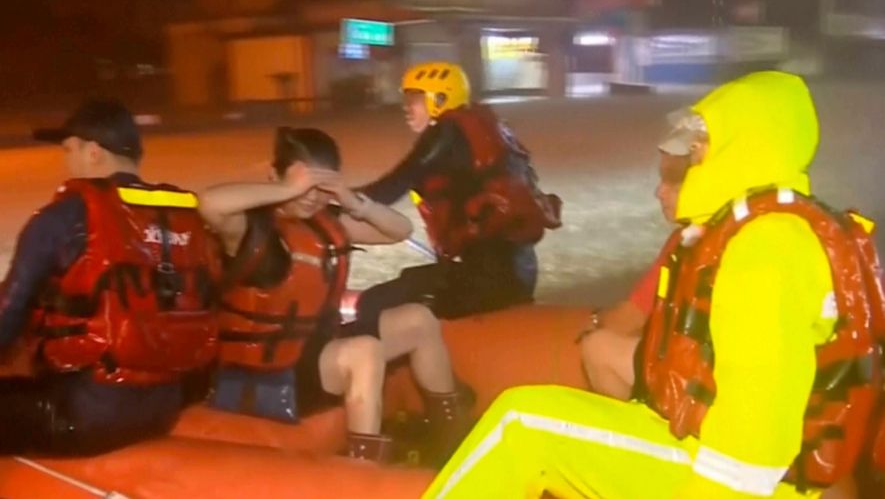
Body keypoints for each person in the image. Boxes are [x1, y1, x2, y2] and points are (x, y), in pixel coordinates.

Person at [423, 71, 885, 499]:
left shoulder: (766, 250)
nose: (692, 154)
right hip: (718, 449)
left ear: (747, 147)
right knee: (531, 412)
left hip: (744, 483)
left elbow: (757, 433)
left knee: (521, 425)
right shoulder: (754, 231)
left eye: (703, 142)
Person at [198, 127, 471, 463]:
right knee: (365, 351)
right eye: (303, 184)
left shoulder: (324, 224)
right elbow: (209, 203)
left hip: (318, 352)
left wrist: (351, 199)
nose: (311, 196)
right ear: (276, 176)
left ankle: (452, 439)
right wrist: (286, 190)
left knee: (417, 319)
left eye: (321, 187)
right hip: (269, 374)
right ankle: (363, 470)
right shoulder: (246, 228)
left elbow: (399, 230)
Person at [0, 99, 219, 455]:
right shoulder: (183, 217)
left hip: (83, 414)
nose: (65, 162)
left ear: (93, 152)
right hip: (164, 408)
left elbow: (7, 316)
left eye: (69, 150)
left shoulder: (65, 216)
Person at [354, 61, 562, 326]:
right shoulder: (485, 127)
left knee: (372, 302)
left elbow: (395, 184)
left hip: (489, 281)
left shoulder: (446, 131)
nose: (406, 107)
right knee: (412, 279)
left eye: (415, 98)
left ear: (440, 98)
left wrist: (339, 200)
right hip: (516, 272)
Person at [578, 144, 690, 400]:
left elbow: (631, 318)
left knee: (597, 348)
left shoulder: (685, 243)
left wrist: (594, 323)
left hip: (693, 381)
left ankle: (639, 429)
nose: (659, 193)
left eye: (673, 185)